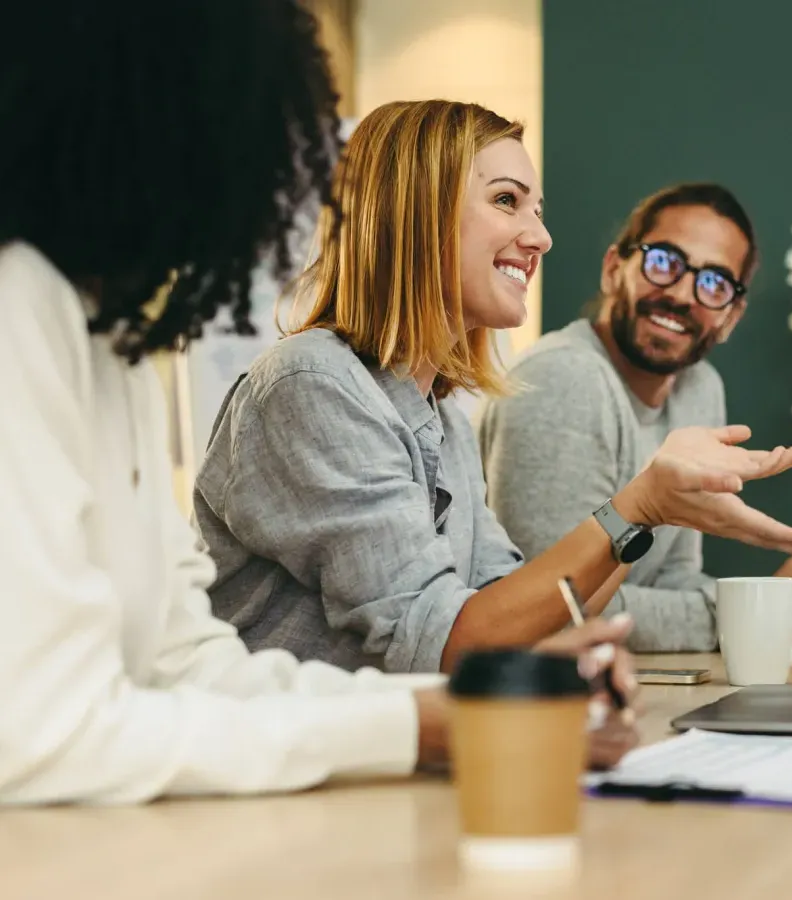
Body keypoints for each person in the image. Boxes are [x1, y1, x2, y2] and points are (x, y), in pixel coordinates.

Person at [0, 1, 639, 806]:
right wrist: (425, 726)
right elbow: (40, 737)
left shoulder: (112, 346)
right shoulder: (21, 306)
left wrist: (478, 704)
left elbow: (189, 665)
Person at [194, 103, 792, 679]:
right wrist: (642, 505)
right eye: (506, 200)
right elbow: (447, 640)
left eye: (537, 211)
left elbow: (524, 613)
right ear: (419, 210)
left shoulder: (443, 418)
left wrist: (658, 513)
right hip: (285, 781)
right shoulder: (313, 384)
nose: (541, 238)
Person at [478, 184, 792, 653]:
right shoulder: (563, 379)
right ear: (614, 269)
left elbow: (674, 577)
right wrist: (763, 612)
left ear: (731, 317)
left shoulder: (699, 387)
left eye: (714, 283)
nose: (683, 295)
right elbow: (556, 614)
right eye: (665, 261)